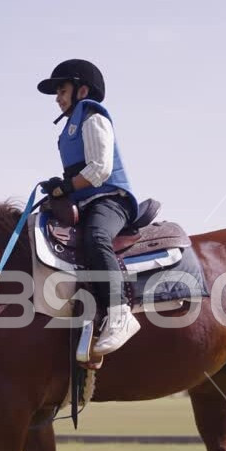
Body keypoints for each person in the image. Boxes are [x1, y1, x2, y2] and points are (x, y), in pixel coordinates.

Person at [37, 59, 141, 356]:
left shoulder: (93, 116)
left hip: (111, 200)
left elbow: (100, 170)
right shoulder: (69, 126)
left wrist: (67, 186)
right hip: (84, 201)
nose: (57, 98)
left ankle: (120, 314)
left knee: (96, 237)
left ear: (82, 90)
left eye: (62, 89)